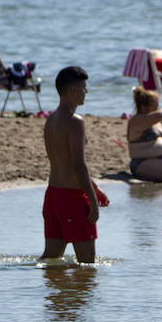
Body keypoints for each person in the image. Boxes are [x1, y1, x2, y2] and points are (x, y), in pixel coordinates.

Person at [41, 66, 109, 264]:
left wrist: (92, 186)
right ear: (73, 90)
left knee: (50, 260)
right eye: (84, 87)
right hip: (72, 198)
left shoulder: (51, 119)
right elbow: (78, 165)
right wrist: (92, 200)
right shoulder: (75, 121)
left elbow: (63, 162)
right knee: (87, 264)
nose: (86, 91)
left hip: (53, 196)